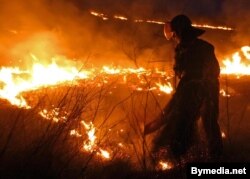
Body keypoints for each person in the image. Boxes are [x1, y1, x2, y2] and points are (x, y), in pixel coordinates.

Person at [144, 14, 223, 161]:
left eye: (174, 34)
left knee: (204, 123)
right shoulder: (183, 49)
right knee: (194, 123)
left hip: (205, 90)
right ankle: (192, 156)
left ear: (179, 33)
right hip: (194, 89)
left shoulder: (201, 49)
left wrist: (198, 86)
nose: (173, 38)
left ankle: (215, 160)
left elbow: (206, 73)